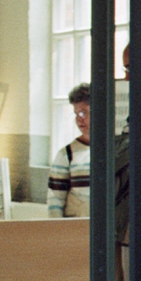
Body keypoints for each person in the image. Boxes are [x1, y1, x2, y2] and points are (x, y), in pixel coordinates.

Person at [48, 83, 91, 217]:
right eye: (76, 113)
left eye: (83, 112)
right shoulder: (66, 154)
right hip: (76, 225)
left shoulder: (115, 150)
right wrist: (57, 226)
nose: (79, 119)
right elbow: (55, 198)